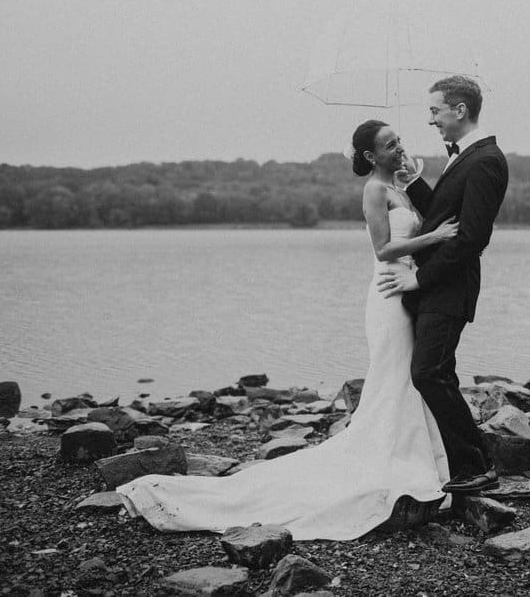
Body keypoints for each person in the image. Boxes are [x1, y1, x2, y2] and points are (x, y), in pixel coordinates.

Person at [116, 120, 460, 540]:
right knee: (393, 377)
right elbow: (384, 249)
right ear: (371, 156)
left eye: (398, 141)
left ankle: (417, 456)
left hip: (408, 293)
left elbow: (417, 227)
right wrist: (436, 236)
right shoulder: (373, 190)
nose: (398, 148)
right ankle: (392, 461)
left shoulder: (399, 188)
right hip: (389, 294)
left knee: (406, 379)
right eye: (389, 145)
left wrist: (416, 182)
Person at [378, 75, 509, 494]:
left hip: (449, 286)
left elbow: (472, 237)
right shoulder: (465, 157)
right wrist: (413, 182)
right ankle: (469, 463)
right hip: (438, 286)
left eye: (435, 110)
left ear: (460, 110)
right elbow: (442, 219)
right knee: (439, 371)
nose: (430, 119)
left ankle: (477, 465)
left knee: (428, 372)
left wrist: (419, 277)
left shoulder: (486, 160)